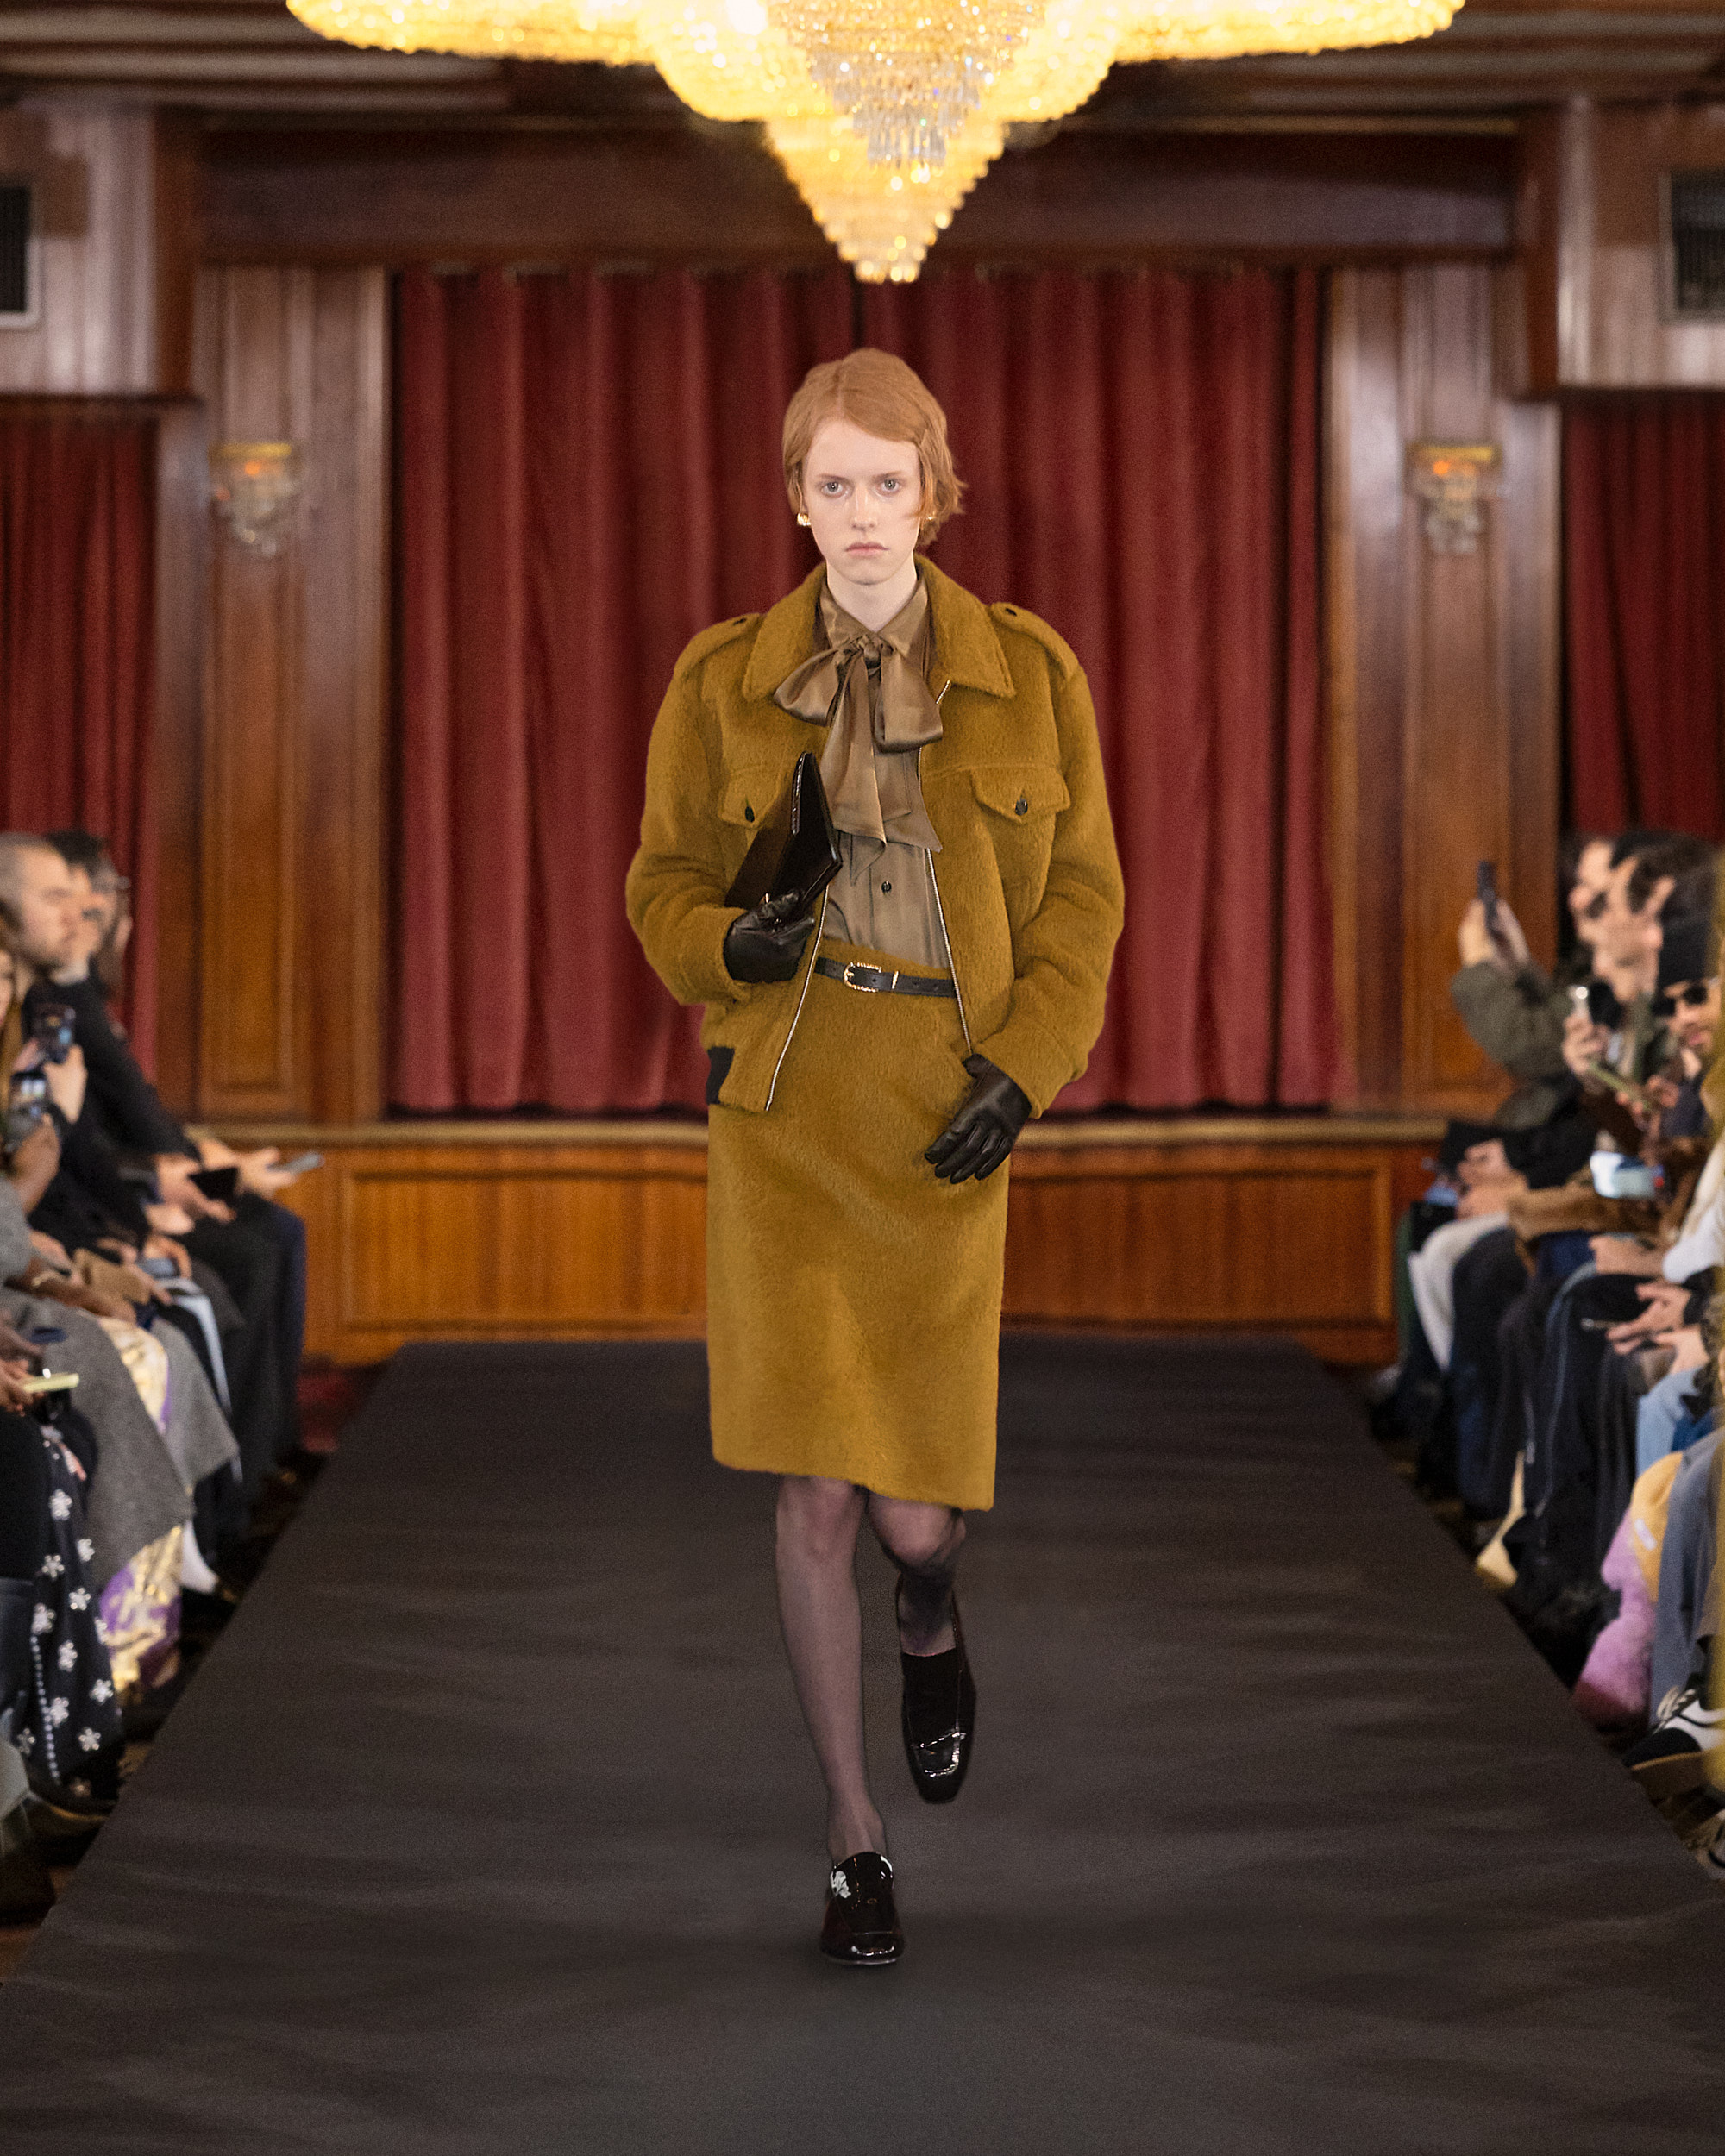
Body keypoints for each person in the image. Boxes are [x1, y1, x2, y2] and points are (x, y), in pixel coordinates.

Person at [627, 349, 1123, 1965]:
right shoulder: (721, 678)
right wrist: (732, 946)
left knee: (915, 1519)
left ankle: (933, 1613)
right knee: (813, 1486)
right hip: (787, 1102)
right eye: (831, 484)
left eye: (885, 484)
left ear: (932, 495)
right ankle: (854, 1841)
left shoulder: (1028, 671)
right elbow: (661, 884)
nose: (858, 513)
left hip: (942, 1110)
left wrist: (1027, 1072)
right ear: (795, 499)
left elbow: (1085, 902)